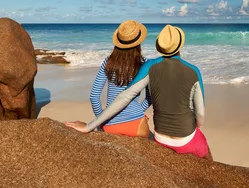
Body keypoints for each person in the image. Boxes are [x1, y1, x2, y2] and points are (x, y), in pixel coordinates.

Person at [66, 24, 212, 160]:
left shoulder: (119, 63)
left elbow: (103, 96)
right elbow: (152, 97)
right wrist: (139, 111)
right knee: (201, 154)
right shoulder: (149, 64)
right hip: (139, 126)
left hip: (120, 127)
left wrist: (99, 123)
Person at [65, 20, 151, 138]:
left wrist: (102, 121)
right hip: (137, 124)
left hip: (111, 125)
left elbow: (94, 96)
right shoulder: (145, 64)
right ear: (139, 42)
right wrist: (138, 112)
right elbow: (150, 97)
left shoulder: (108, 62)